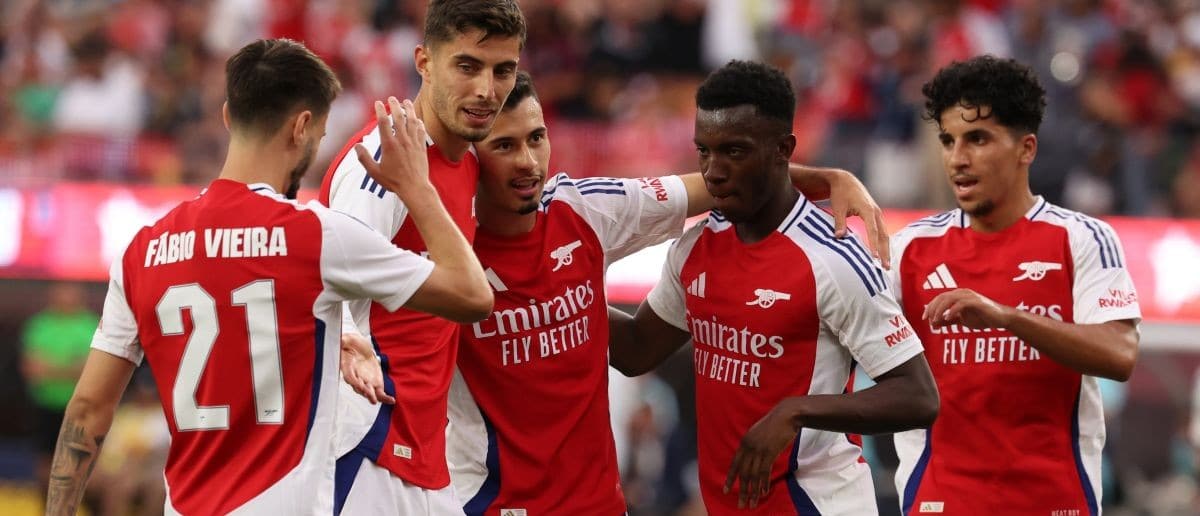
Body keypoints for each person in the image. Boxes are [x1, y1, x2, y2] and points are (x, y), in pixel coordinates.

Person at [44, 38, 491, 516]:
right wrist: (419, 190)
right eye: (318, 135)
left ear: (226, 117)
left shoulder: (141, 251)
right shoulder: (315, 236)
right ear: (302, 128)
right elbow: (471, 295)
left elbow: (88, 410)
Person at [442, 71, 890, 515]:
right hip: (490, 504)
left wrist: (826, 176)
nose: (529, 161)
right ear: (467, 158)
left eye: (536, 138)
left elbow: (718, 181)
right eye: (504, 145)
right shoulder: (435, 248)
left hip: (600, 506)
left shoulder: (587, 209)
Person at [606, 60, 939, 515]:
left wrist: (796, 410)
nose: (714, 171)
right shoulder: (696, 247)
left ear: (784, 149)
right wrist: (558, 290)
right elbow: (635, 351)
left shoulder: (834, 258)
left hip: (818, 504)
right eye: (704, 151)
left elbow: (918, 395)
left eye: (735, 152)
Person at [890, 55, 1141, 515]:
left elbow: (1119, 354)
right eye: (948, 141)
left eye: (978, 139)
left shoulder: (1081, 238)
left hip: (1053, 500)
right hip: (941, 500)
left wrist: (1004, 317)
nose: (957, 159)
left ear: (1026, 149)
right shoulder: (909, 249)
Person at [318, 1, 525, 513]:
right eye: (467, 66)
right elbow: (332, 271)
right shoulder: (387, 157)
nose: (487, 90)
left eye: (503, 70)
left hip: (429, 463)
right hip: (366, 443)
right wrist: (345, 345)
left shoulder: (470, 161)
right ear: (424, 62)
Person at [21, 282, 98, 505]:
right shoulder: (39, 325)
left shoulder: (91, 324)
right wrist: (71, 368)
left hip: (82, 409)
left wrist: (51, 368)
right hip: (46, 406)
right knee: (45, 466)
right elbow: (32, 369)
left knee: (80, 466)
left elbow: (91, 369)